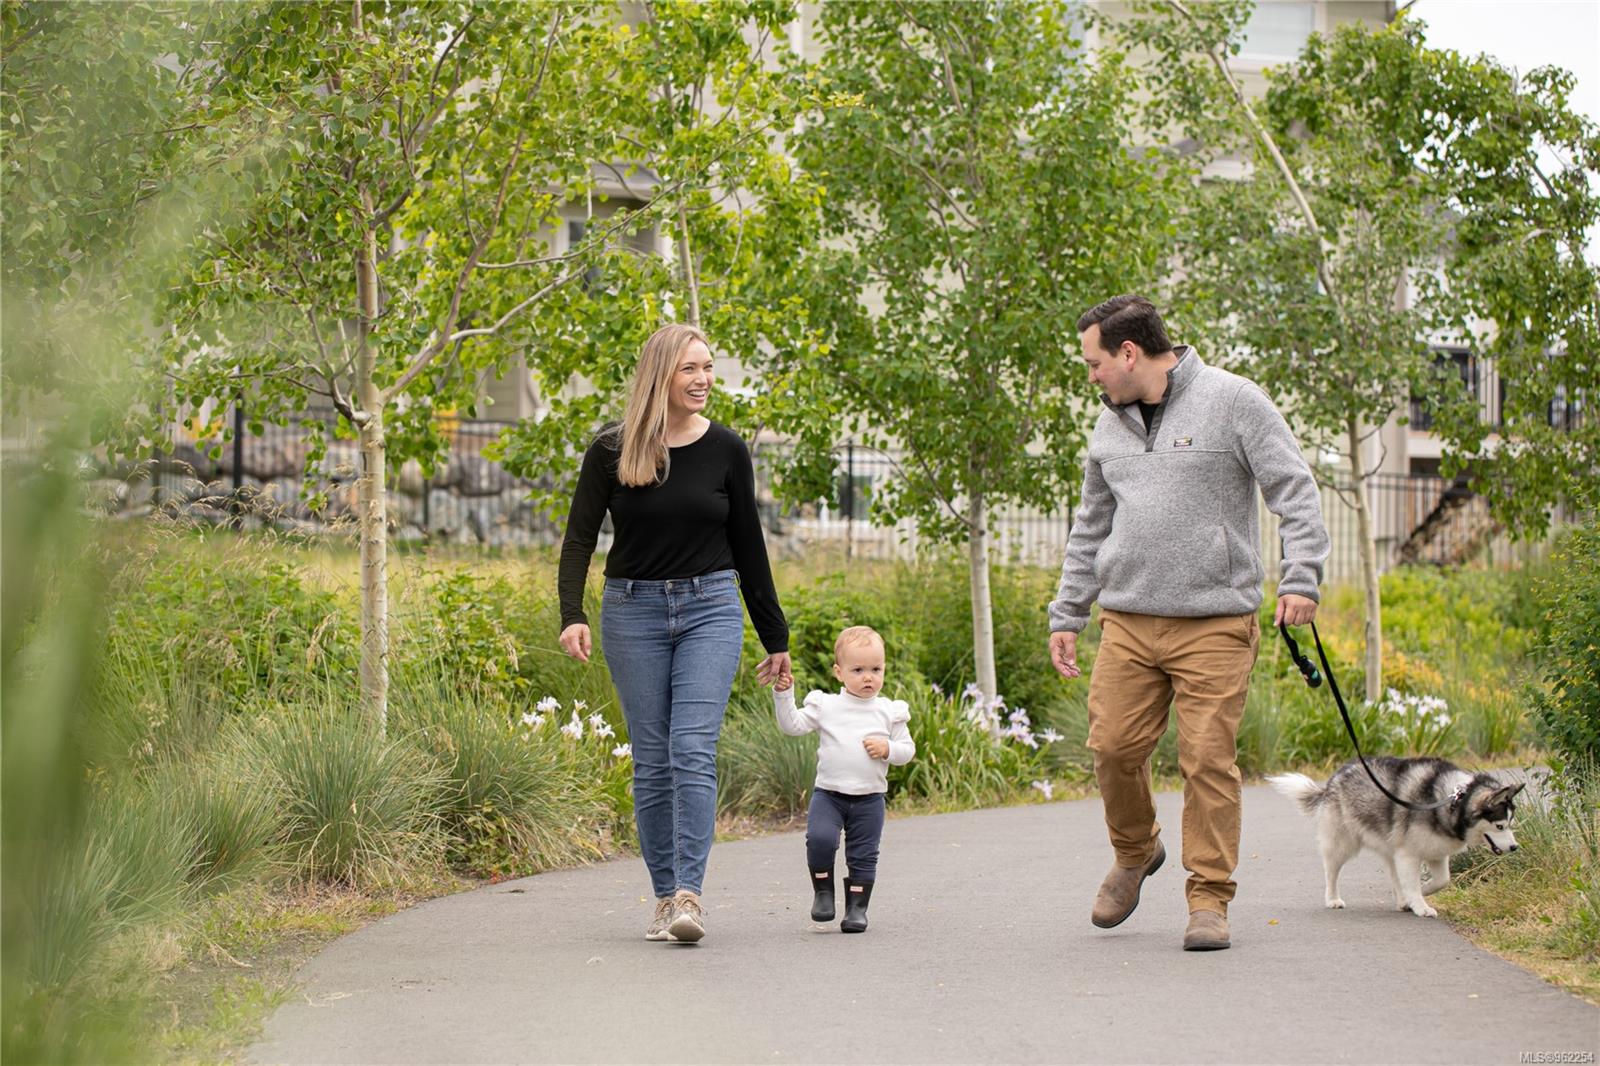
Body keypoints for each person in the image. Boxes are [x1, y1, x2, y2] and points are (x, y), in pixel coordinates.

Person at [1048, 295, 1329, 952]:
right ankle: (1135, 851)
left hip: (1215, 621)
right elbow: (1090, 527)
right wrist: (1068, 612)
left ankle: (1208, 898)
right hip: (1128, 620)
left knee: (1206, 760)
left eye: (1093, 363)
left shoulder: (1234, 401)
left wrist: (1301, 576)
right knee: (1113, 749)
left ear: (1128, 353)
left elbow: (1293, 489)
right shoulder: (1108, 425)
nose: (1090, 376)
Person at [558, 323, 791, 945]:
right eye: (691, 368)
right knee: (653, 758)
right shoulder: (611, 449)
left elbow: (749, 545)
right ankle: (664, 897)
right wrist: (571, 613)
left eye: (709, 367)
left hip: (710, 607)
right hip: (632, 611)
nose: (704, 379)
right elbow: (579, 538)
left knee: (692, 748)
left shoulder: (727, 449)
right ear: (661, 374)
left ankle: (690, 894)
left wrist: (775, 637)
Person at [773, 625, 914, 933]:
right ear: (839, 672)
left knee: (864, 854)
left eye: (876, 669)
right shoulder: (827, 706)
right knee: (820, 840)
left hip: (870, 799)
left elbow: (907, 749)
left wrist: (888, 748)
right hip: (829, 795)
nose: (868, 677)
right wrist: (784, 694)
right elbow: (792, 726)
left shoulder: (889, 711)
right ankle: (823, 893)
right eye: (858, 670)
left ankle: (857, 909)